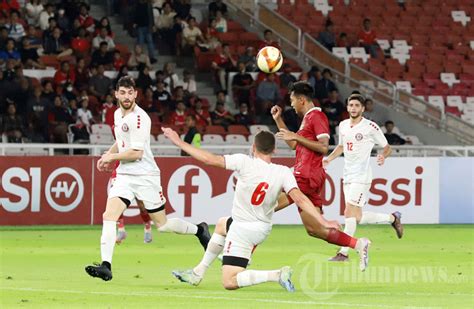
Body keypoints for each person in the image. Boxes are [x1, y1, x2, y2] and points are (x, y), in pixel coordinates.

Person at [166, 129, 370, 290]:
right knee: (221, 225)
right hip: (262, 227)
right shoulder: (283, 172)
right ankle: (198, 272)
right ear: (274, 150)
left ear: (253, 147)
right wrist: (323, 220)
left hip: (243, 230)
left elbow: (210, 159)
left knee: (229, 281)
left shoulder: (244, 162)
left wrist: (179, 142)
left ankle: (276, 274)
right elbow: (299, 198)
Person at [85, 76, 211, 281]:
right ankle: (106, 265)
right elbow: (121, 141)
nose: (126, 97)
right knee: (109, 215)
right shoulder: (117, 114)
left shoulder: (140, 118)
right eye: (122, 93)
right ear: (116, 94)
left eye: (130, 92)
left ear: (135, 94)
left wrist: (111, 157)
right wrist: (107, 155)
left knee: (162, 225)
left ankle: (199, 230)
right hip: (125, 175)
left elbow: (137, 153)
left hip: (145, 176)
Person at [270, 82, 371, 271]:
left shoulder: (317, 116)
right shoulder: (307, 118)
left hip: (305, 176)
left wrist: (297, 136)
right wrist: (278, 120)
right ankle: (359, 244)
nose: (291, 104)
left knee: (266, 207)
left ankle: (239, 253)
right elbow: (294, 144)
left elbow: (324, 147)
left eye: (292, 100)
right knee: (314, 230)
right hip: (309, 176)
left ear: (301, 100)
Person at [324, 93, 403, 262]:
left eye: (356, 106)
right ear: (347, 107)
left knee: (348, 212)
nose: (353, 108)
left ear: (362, 108)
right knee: (355, 217)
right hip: (348, 175)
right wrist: (328, 159)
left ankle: (343, 253)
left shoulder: (370, 127)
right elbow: (341, 147)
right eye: (351, 105)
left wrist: (383, 156)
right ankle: (392, 218)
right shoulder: (343, 125)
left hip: (362, 176)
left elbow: (387, 147)